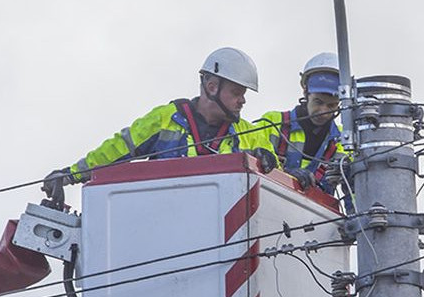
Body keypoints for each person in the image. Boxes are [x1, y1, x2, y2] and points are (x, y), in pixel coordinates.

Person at [42, 47, 277, 199]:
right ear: (212, 86)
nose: (242, 100)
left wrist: (268, 160)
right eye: (237, 92)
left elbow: (277, 171)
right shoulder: (166, 118)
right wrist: (70, 175)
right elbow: (117, 150)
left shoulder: (249, 132)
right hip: (165, 224)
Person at [255, 52, 347, 196]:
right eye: (318, 102)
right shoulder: (272, 124)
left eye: (331, 106)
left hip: (321, 217)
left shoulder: (343, 141)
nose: (323, 111)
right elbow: (249, 167)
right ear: (305, 91)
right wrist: (286, 175)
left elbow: (354, 192)